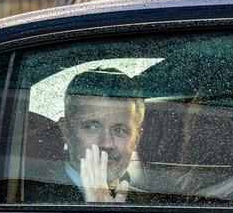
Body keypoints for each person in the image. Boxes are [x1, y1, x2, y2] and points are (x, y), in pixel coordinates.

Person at [23, 68, 145, 203]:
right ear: (66, 131)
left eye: (120, 130)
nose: (107, 143)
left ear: (136, 140)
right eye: (91, 127)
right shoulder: (29, 202)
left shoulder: (155, 207)